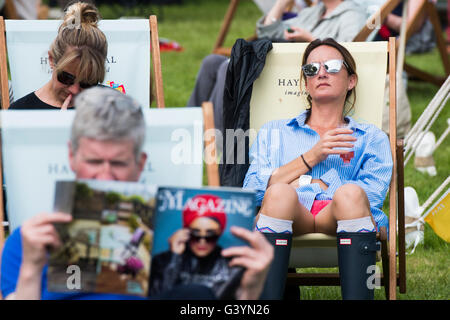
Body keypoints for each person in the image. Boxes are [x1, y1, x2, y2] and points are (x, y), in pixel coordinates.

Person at [0, 86, 274, 300]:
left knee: (196, 295)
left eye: (118, 163)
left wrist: (249, 291)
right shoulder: (29, 241)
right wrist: (31, 270)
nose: (105, 176)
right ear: (72, 158)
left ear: (140, 164)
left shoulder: (181, 243)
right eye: (94, 162)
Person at [243, 38, 393, 300]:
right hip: (289, 213)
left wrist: (312, 184)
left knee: (349, 195)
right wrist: (314, 155)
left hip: (342, 215)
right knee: (278, 194)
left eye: (333, 66)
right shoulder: (274, 131)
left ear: (351, 80)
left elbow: (372, 196)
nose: (321, 72)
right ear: (305, 84)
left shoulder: (370, 137)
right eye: (311, 69)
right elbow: (254, 190)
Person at [187, 0, 366, 137]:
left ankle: (217, 136)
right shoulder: (314, 12)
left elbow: (348, 53)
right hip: (281, 63)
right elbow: (268, 31)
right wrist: (282, 2)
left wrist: (309, 38)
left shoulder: (352, 14)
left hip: (304, 71)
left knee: (227, 68)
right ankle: (188, 127)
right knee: (211, 62)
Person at [9, 1, 107, 110]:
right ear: (52, 60)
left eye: (87, 83)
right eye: (66, 78)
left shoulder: (112, 105)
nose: (74, 90)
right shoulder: (22, 111)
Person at [150, 194, 251, 299]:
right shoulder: (162, 261)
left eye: (210, 235)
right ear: (186, 232)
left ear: (219, 233)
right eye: (195, 234)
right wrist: (173, 259)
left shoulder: (233, 266)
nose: (202, 241)